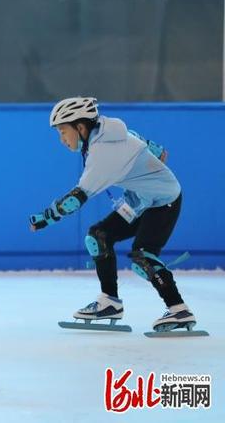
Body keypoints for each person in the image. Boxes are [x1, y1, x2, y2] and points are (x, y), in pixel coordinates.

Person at [29, 96, 196, 332]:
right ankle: (110, 302)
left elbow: (74, 200)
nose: (62, 140)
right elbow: (137, 139)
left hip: (163, 201)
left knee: (143, 256)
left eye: (63, 132)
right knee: (98, 237)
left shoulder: (101, 152)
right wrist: (155, 150)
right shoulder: (106, 131)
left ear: (80, 126)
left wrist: (45, 218)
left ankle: (179, 310)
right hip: (140, 201)